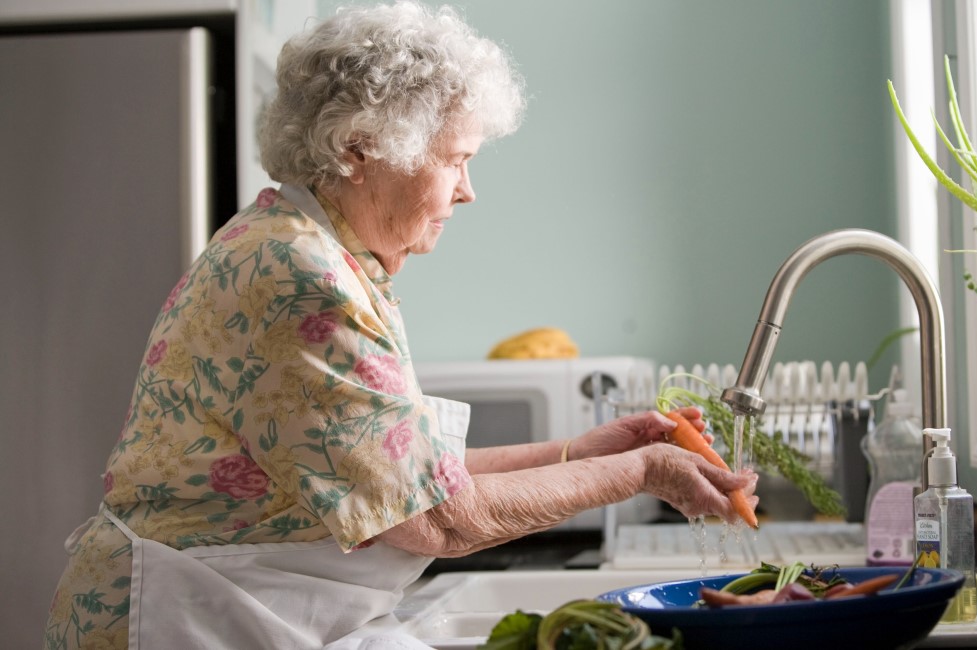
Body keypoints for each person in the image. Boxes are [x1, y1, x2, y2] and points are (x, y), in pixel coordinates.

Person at [42, 2, 758, 648]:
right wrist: (640, 470)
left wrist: (581, 450)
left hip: (232, 609)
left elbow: (398, 479)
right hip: (188, 621)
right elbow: (437, 519)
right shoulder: (303, 279)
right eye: (457, 160)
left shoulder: (313, 252)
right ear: (359, 149)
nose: (468, 191)